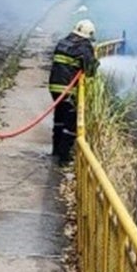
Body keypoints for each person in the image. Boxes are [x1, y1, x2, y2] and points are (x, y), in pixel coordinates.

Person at [48, 18, 99, 165]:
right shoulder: (84, 46)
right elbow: (90, 70)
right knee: (70, 124)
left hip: (54, 88)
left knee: (59, 119)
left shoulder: (62, 42)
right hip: (68, 90)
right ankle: (64, 158)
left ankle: (56, 150)